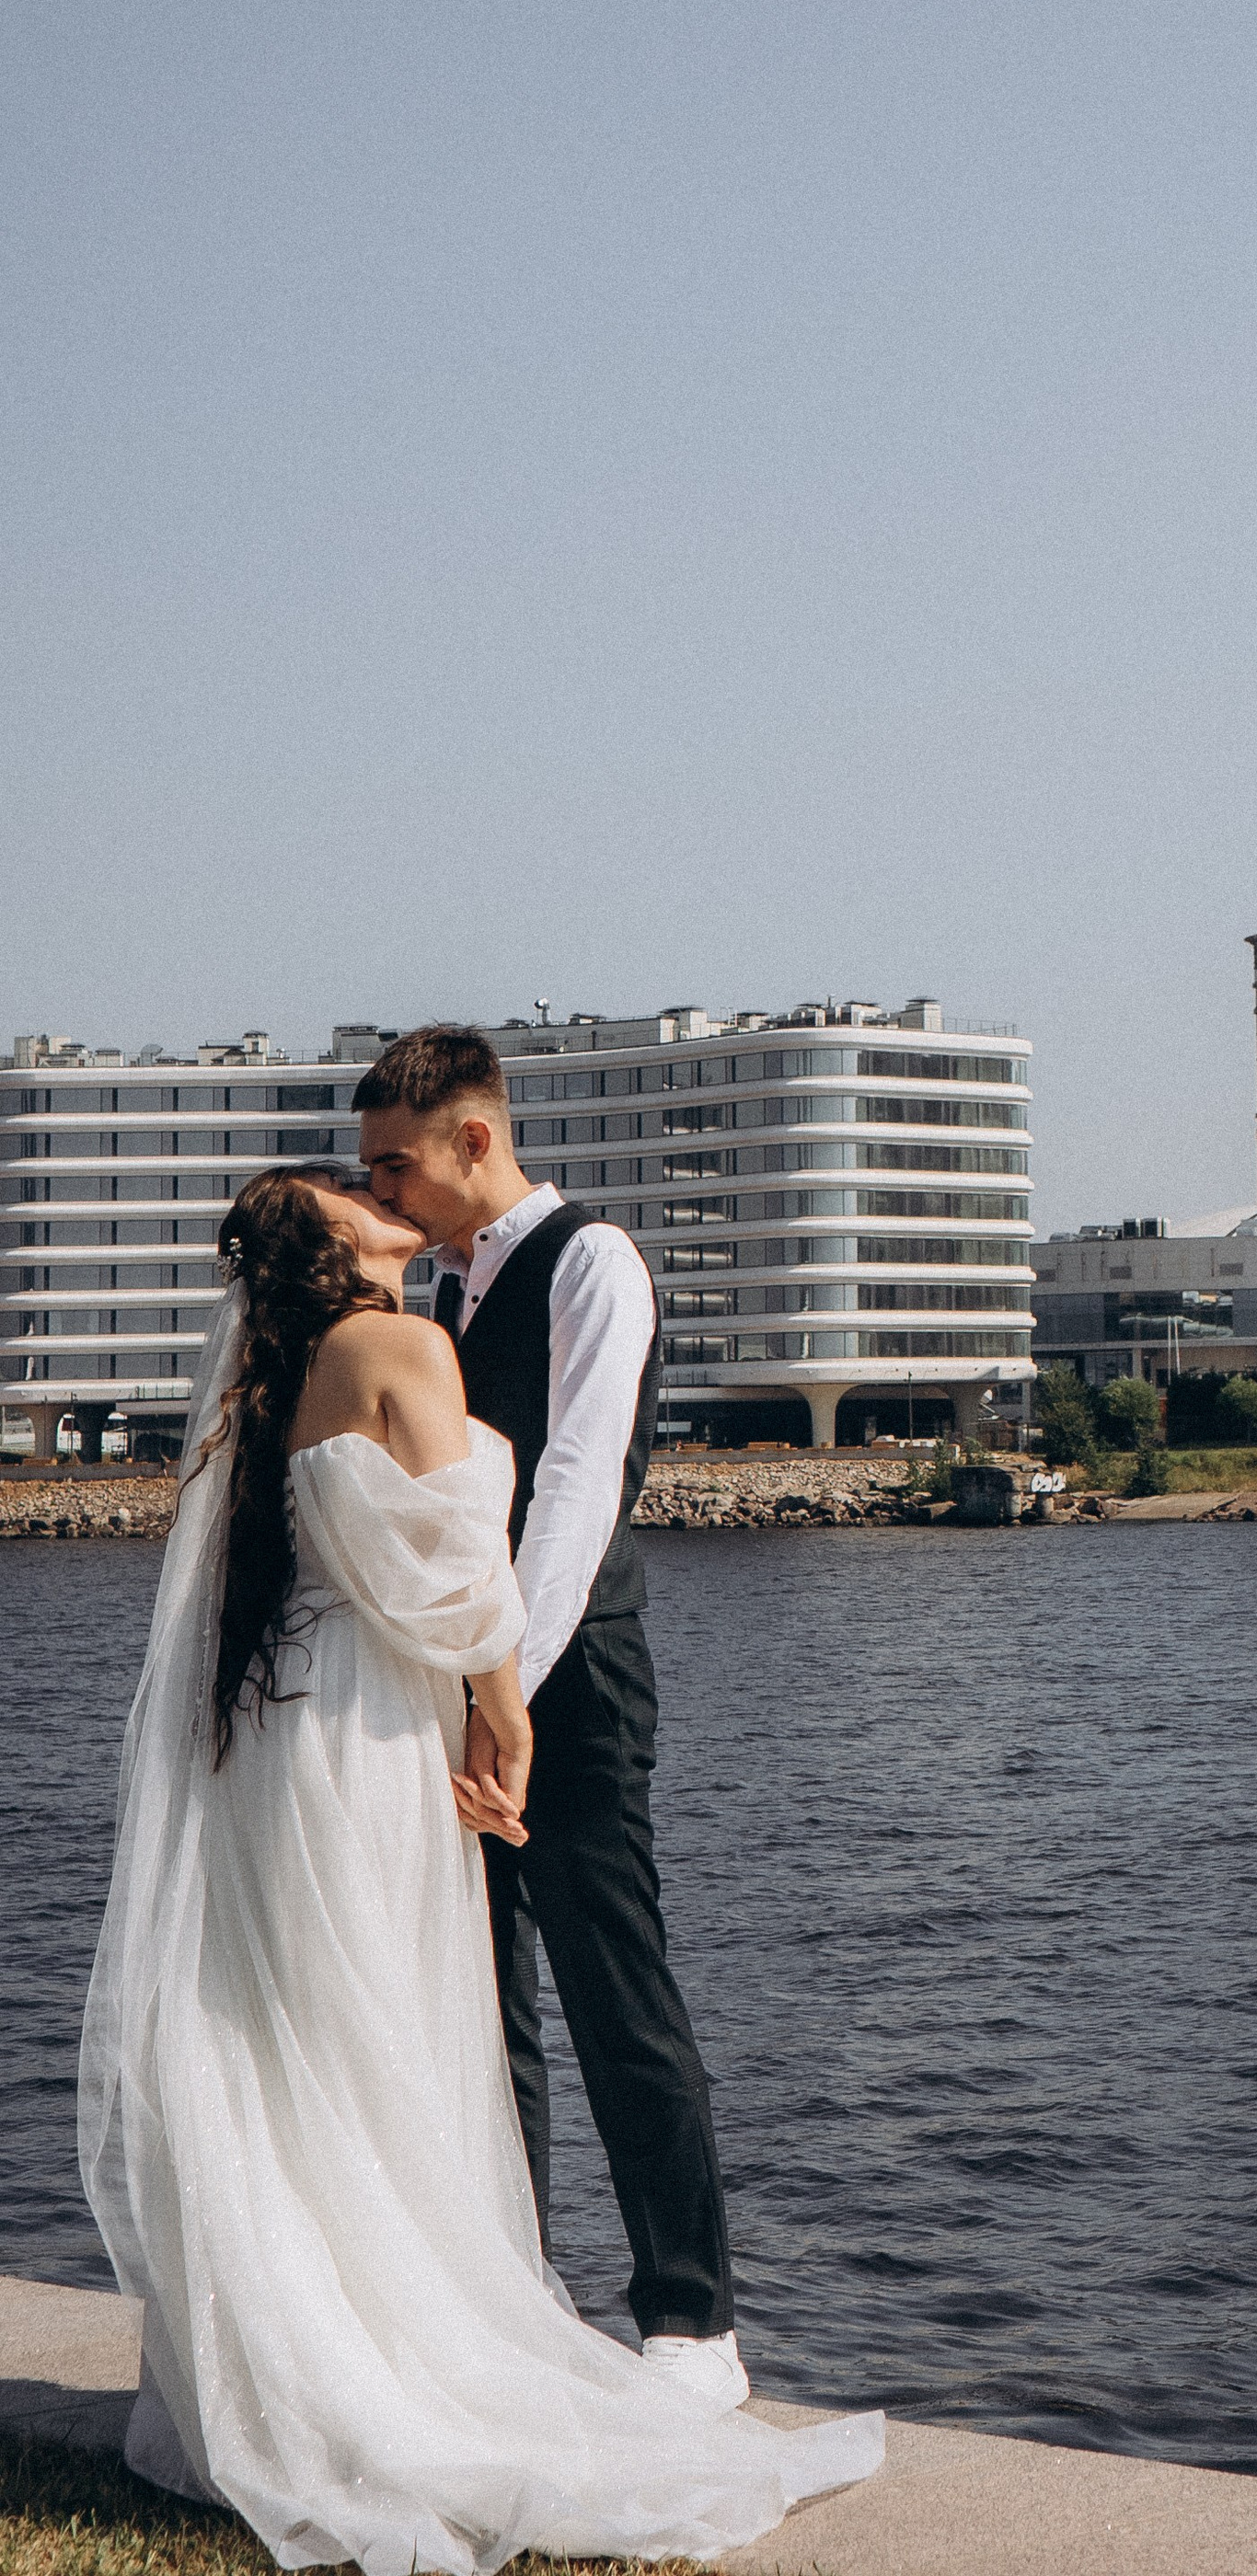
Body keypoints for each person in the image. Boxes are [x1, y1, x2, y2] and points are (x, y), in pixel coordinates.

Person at [78, 1167, 881, 2575]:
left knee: (294, 2038)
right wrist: (504, 1716)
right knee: (389, 2026)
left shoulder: (260, 1382)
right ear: (332, 1246)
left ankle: (284, 2367)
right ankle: (403, 2364)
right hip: (376, 1726)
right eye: (349, 1193)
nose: (373, 1190)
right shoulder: (402, 1343)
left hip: (274, 1740)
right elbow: (463, 1570)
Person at [352, 1028, 742, 2397]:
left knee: (615, 1994)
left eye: (395, 1165)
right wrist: (463, 1685)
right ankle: (512, 2303)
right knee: (486, 2008)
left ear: (475, 1138)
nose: (382, 1192)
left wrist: (503, 1687)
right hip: (463, 1688)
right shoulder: (439, 1292)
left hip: (568, 1690)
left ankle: (693, 2327)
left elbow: (578, 1493)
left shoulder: (594, 1263)